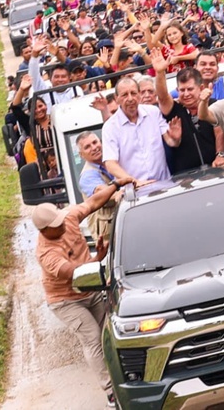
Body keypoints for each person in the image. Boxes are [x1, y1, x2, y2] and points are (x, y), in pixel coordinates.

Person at [35, 176, 136, 407]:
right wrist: (97, 259)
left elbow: (93, 203)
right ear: (44, 231)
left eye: (61, 220)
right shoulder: (45, 254)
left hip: (89, 289)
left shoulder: (67, 218)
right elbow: (72, 272)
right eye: (56, 226)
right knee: (92, 340)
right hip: (66, 300)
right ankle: (111, 391)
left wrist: (116, 185)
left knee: (106, 336)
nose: (63, 225)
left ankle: (122, 377)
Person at [153, 55, 224, 173]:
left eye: (190, 89)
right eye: (182, 90)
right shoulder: (174, 109)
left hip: (217, 171)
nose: (186, 94)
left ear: (201, 87)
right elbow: (162, 97)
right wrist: (160, 72)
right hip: (186, 179)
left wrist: (220, 155)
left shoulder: (213, 105)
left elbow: (219, 133)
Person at [102, 78, 182, 183]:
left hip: (164, 185)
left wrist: (176, 139)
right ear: (117, 99)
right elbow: (110, 164)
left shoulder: (153, 112)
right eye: (125, 95)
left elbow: (171, 142)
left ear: (139, 95)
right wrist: (135, 182)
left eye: (133, 93)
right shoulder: (110, 127)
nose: (130, 98)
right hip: (135, 193)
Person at [76, 131, 117, 244]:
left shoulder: (113, 161)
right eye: (87, 147)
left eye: (95, 142)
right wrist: (120, 191)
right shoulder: (87, 175)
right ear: (81, 155)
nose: (94, 148)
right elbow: (100, 190)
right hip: (109, 238)